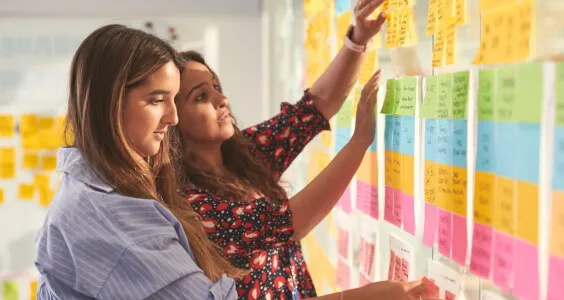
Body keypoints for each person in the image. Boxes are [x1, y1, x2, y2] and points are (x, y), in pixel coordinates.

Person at [173, 1, 435, 299]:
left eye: (216, 86)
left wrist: (358, 40)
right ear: (172, 119)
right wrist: (359, 142)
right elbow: (288, 223)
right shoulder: (191, 205)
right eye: (201, 96)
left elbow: (313, 109)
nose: (222, 100)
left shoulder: (240, 153)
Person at [34, 24, 245, 300]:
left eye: (174, 100)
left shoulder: (99, 189)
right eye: (157, 100)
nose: (173, 118)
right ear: (111, 102)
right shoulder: (111, 217)